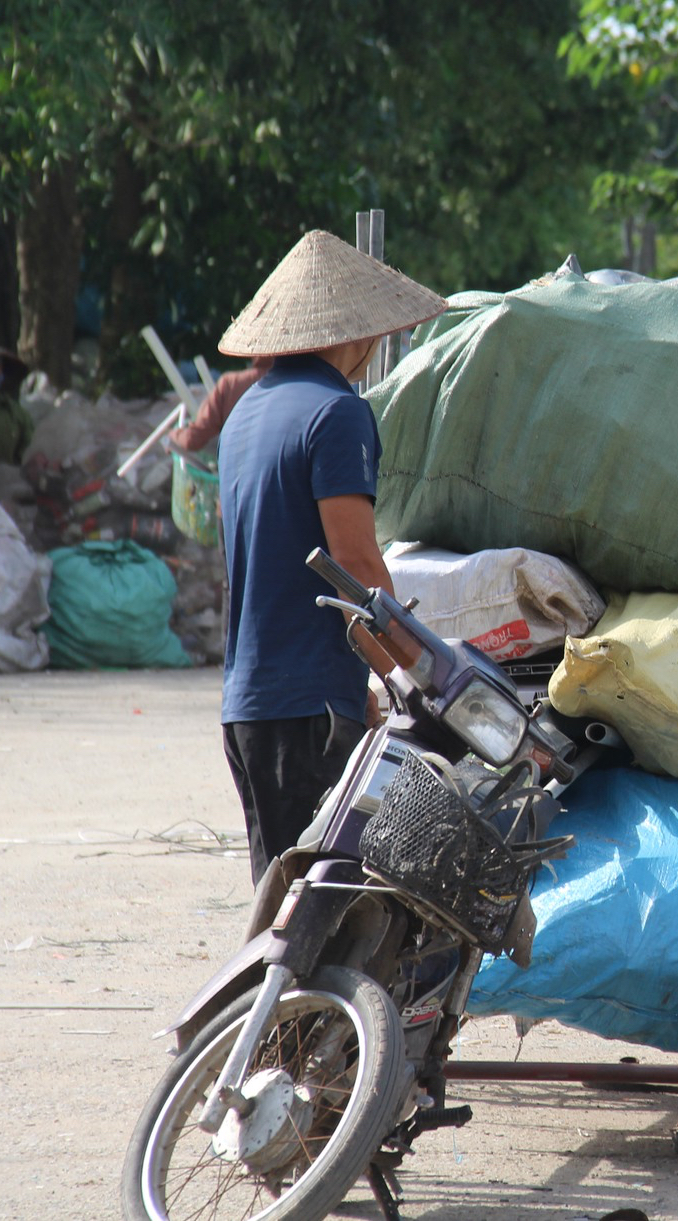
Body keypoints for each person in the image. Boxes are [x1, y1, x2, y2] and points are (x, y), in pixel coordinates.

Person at [215, 229, 445, 881]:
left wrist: (356, 689)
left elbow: (265, 559)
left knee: (280, 902)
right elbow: (356, 566)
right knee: (330, 903)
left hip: (247, 705)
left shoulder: (243, 416)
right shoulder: (338, 412)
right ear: (358, 333)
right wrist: (416, 671)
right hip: (306, 708)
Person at [168, 357, 273, 455]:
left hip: (239, 469)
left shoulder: (231, 384)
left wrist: (174, 435)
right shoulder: (288, 385)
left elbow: (192, 439)